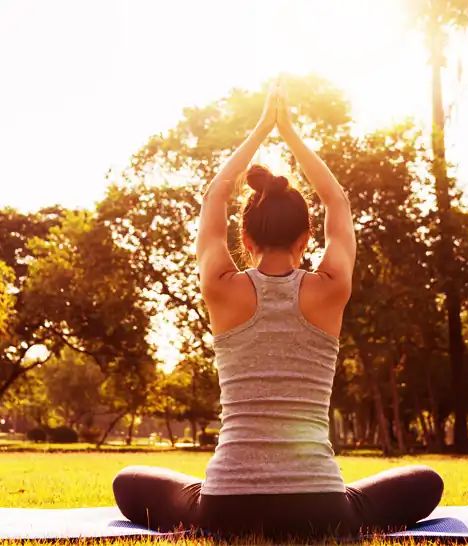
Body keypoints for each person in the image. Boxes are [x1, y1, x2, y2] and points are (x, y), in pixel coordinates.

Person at [112, 80, 444, 540]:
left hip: (225, 509)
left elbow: (214, 199)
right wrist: (289, 132)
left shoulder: (221, 288)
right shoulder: (330, 288)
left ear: (245, 241)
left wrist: (260, 129)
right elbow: (338, 202)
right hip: (321, 509)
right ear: (306, 239)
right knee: (427, 480)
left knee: (127, 481)